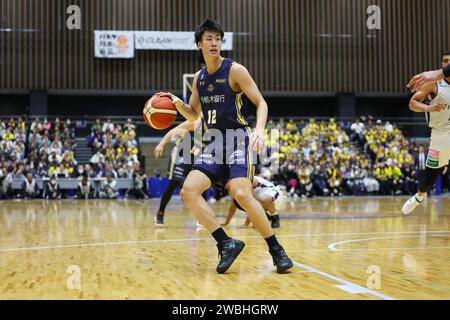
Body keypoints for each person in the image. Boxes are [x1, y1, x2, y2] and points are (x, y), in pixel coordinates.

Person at [156, 19, 293, 274]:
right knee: (188, 190)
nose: (214, 42)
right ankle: (225, 243)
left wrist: (260, 130)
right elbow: (194, 115)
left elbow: (261, 103)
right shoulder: (199, 78)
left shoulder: (235, 70)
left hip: (238, 137)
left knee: (241, 193)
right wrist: (176, 103)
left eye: (217, 38)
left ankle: (276, 249)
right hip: (215, 142)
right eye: (208, 39)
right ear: (199, 44)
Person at [403, 52, 450, 214]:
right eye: (445, 61)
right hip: (440, 133)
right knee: (429, 178)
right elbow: (412, 103)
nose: (447, 63)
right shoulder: (433, 84)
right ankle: (419, 197)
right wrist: (428, 108)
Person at [153, 118, 203, 225]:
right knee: (172, 184)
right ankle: (160, 212)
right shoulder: (197, 122)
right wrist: (161, 144)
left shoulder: (217, 127)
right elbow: (174, 131)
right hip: (180, 155)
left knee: (199, 186)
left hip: (195, 157)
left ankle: (202, 216)